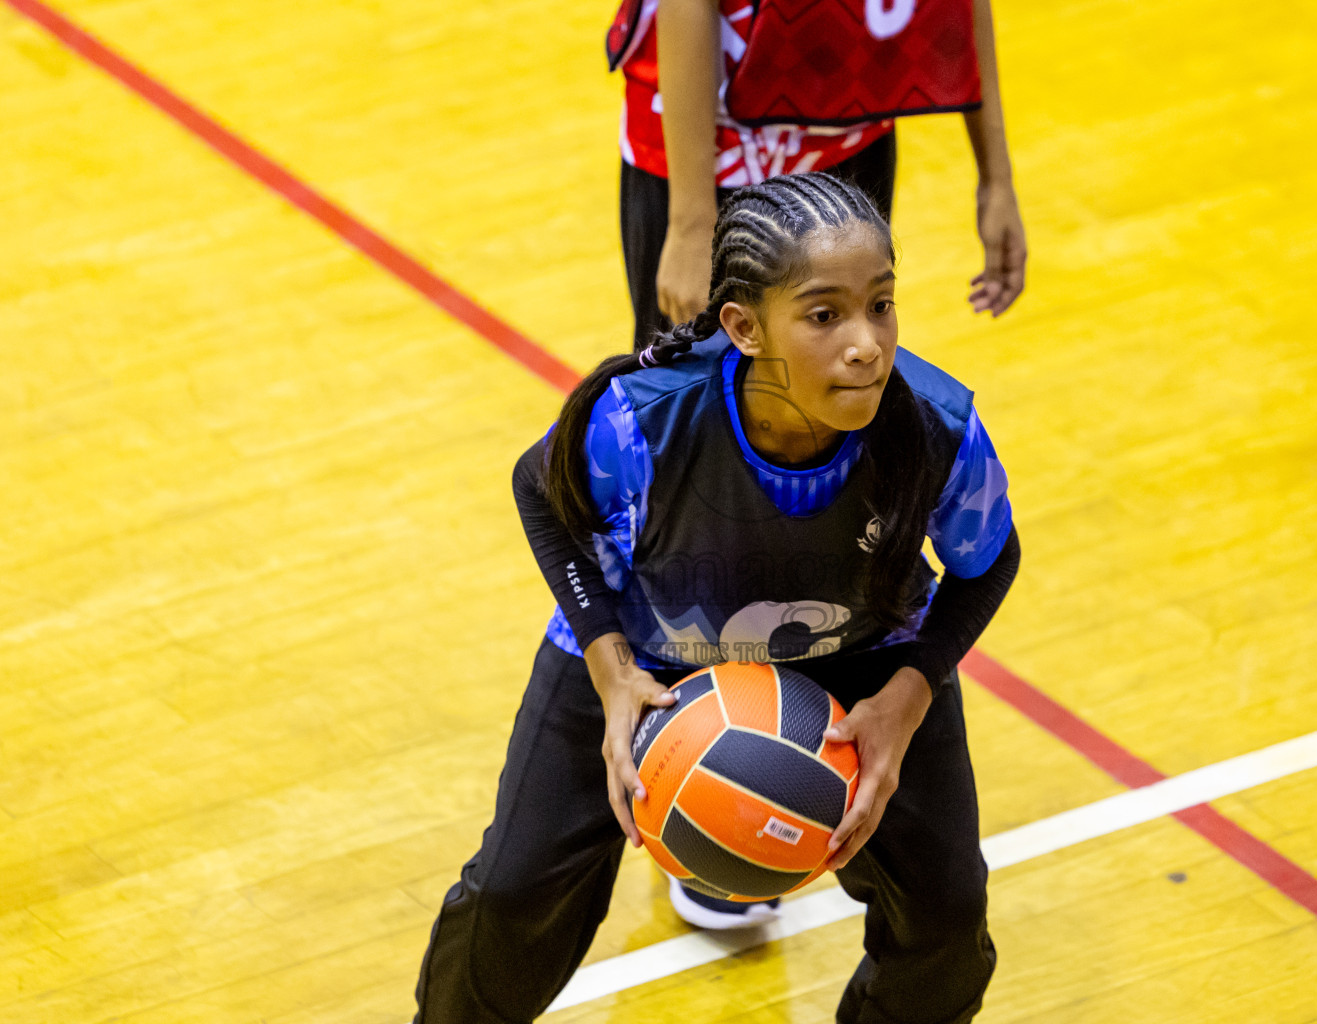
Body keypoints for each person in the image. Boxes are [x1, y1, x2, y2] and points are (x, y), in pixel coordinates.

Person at [412, 173, 1019, 1024]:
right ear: (743, 326)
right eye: (824, 314)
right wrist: (609, 663)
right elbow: (539, 492)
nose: (867, 345)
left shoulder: (936, 426)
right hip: (648, 655)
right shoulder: (642, 420)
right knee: (510, 899)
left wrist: (909, 697)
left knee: (947, 919)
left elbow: (988, 561)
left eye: (881, 305)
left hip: (866, 665)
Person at [611, 0, 1029, 352]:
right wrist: (691, 224)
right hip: (713, 153)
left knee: (838, 364)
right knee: (683, 397)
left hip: (853, 123)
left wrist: (996, 178)